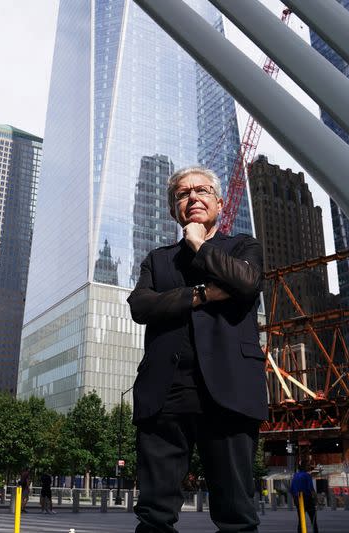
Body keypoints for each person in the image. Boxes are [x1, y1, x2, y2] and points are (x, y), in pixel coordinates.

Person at [128, 166, 266, 533]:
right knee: (154, 514)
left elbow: (247, 284)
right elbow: (141, 306)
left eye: (202, 191)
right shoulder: (158, 259)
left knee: (236, 514)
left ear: (220, 203)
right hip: (164, 396)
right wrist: (202, 294)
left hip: (229, 394)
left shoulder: (242, 247)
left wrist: (199, 245)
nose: (192, 198)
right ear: (175, 210)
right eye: (183, 194)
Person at [290, 463, 318, 533]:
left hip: (298, 500)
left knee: (301, 520)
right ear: (304, 467)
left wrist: (295, 501)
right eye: (307, 465)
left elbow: (292, 490)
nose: (309, 466)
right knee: (313, 520)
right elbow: (311, 488)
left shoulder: (295, 476)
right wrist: (316, 499)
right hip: (307, 500)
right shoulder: (307, 475)